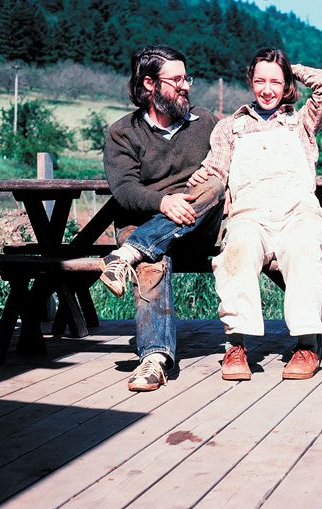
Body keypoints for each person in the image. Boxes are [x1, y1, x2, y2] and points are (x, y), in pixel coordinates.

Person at [188, 48, 322, 381]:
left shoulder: (301, 121)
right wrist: (201, 177)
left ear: (287, 84)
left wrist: (292, 67)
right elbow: (215, 169)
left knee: (303, 249)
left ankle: (307, 344)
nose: (267, 89)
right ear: (250, 82)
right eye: (260, 80)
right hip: (249, 217)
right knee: (237, 250)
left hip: (297, 215)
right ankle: (236, 345)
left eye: (276, 81)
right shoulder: (231, 127)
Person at [102, 44, 225, 392]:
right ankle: (154, 360)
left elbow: (231, 164)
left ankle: (127, 255)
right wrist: (162, 202)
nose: (186, 85)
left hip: (200, 227)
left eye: (187, 77)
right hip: (143, 220)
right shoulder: (123, 132)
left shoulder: (207, 123)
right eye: (177, 79)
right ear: (150, 84)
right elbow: (124, 189)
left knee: (213, 184)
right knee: (151, 261)